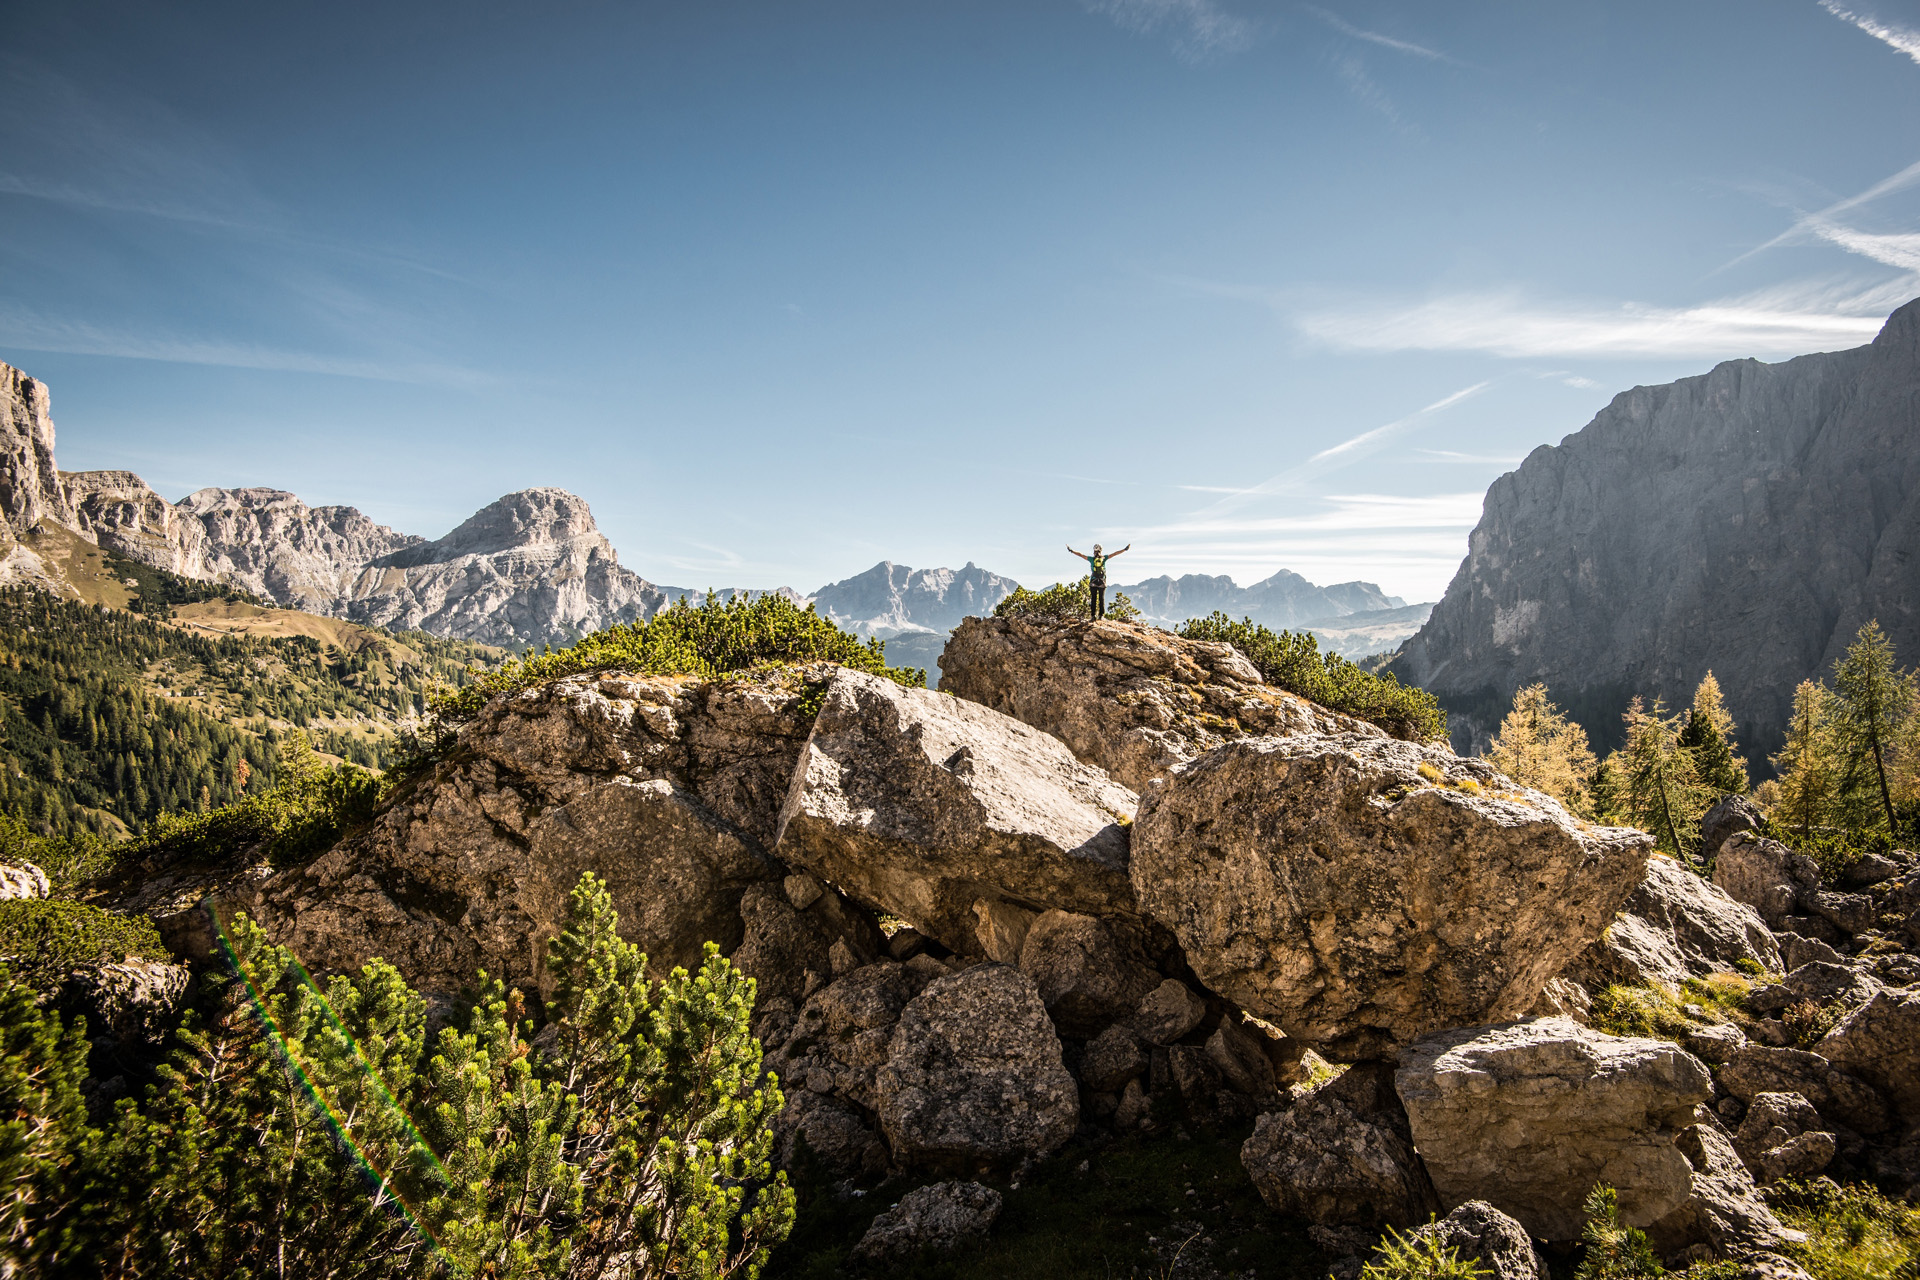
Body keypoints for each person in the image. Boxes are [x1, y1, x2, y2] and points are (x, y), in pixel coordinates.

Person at [1066, 541, 1130, 620]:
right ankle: (1101, 616)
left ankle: (1093, 616)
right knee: (1101, 599)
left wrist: (1071, 551)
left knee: (1093, 599)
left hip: (1093, 581)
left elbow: (1081, 555)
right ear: (1101, 550)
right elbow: (1115, 553)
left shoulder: (1091, 559)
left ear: (1094, 550)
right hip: (1102, 581)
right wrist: (1124, 549)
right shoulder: (1104, 558)